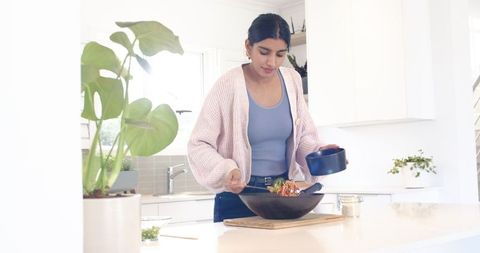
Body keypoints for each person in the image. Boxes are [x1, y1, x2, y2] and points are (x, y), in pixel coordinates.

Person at [187, 13, 338, 222]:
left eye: (280, 54)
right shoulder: (228, 85)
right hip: (238, 197)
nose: (271, 62)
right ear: (248, 47)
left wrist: (318, 152)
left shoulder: (292, 80)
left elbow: (302, 137)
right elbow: (198, 144)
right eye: (264, 52)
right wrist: (227, 169)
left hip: (283, 193)